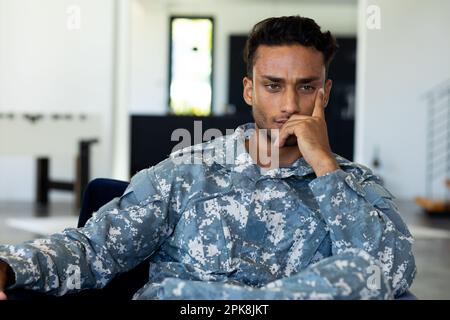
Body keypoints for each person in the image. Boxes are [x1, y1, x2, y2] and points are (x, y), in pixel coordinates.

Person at [0, 15, 415, 300]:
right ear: (250, 90)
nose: (290, 104)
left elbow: (388, 275)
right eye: (274, 85)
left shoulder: (354, 183)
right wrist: (9, 266)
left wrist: (326, 167)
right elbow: (95, 250)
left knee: (366, 271)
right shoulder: (188, 171)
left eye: (306, 87)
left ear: (324, 94)